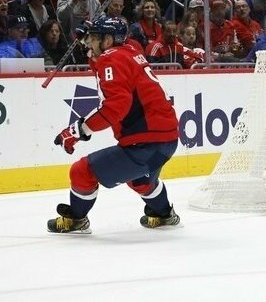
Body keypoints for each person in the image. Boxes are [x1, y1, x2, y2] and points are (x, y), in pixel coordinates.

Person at [48, 15, 180, 234]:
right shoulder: (130, 50)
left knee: (82, 171)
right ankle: (165, 215)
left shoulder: (111, 58)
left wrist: (78, 130)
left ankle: (76, 220)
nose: (89, 43)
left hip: (145, 143)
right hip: (166, 140)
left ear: (108, 40)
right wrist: (85, 42)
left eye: (93, 38)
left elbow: (116, 106)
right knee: (139, 180)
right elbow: (104, 66)